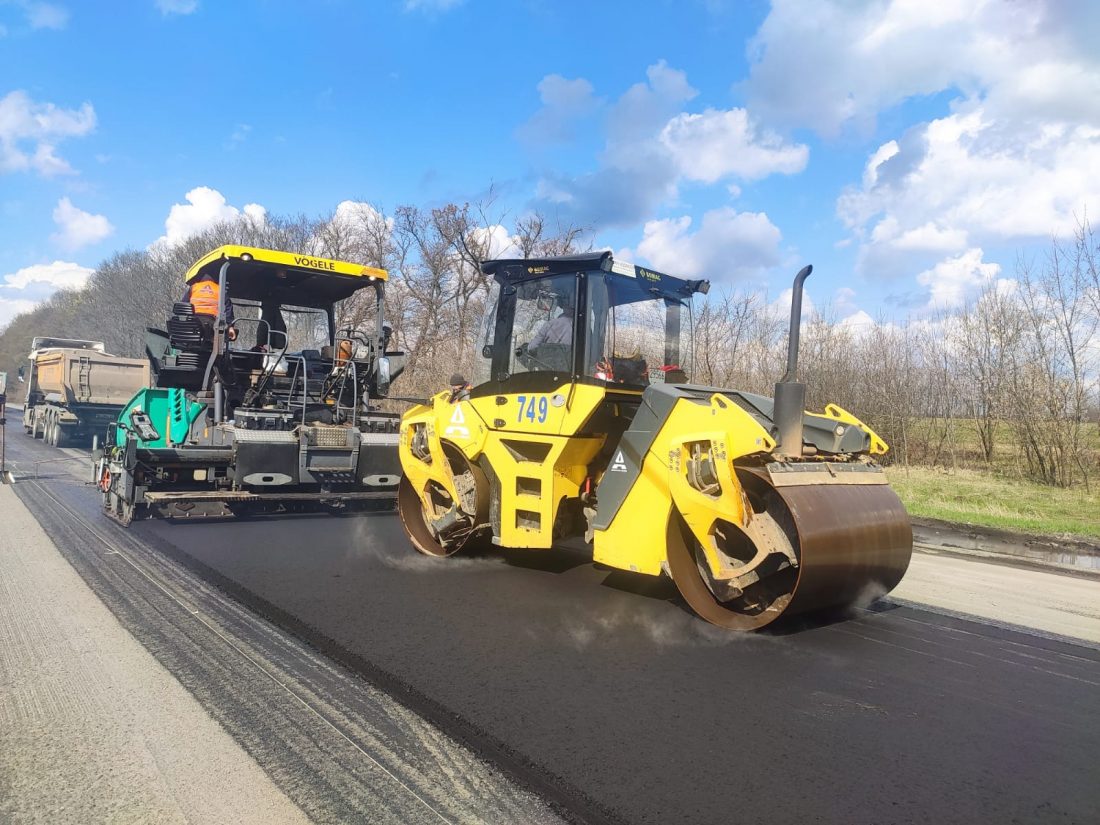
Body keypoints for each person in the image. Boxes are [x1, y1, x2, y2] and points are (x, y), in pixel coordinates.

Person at [183, 272, 237, 342]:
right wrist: (230, 326)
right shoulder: (219, 289)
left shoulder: (194, 287)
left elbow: (183, 304)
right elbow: (228, 308)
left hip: (193, 321)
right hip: (211, 323)